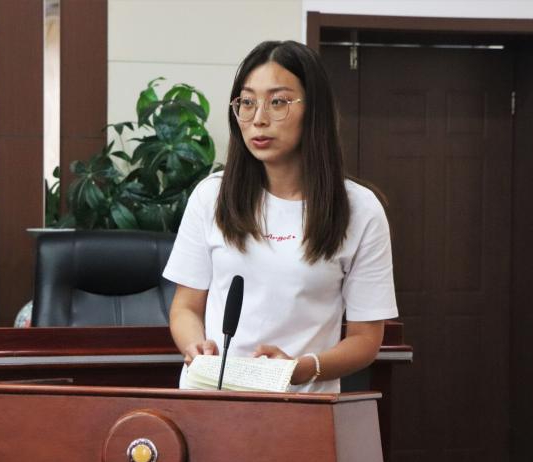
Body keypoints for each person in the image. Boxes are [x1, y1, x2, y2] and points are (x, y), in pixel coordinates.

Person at [163, 40, 398, 392]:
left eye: (278, 102)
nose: (259, 119)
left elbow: (366, 338)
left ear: (314, 110)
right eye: (247, 102)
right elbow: (185, 307)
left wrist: (302, 369)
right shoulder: (211, 196)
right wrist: (195, 346)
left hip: (300, 407)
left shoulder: (360, 209)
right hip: (211, 401)